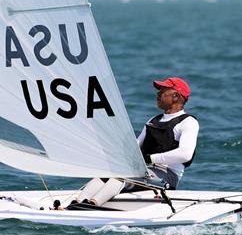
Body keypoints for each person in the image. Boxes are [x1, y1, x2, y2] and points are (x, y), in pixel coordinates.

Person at [70, 77, 199, 208]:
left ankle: (91, 205)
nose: (158, 94)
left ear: (176, 96)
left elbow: (185, 154)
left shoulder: (188, 122)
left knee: (121, 178)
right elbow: (136, 147)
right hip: (144, 170)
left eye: (162, 90)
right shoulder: (153, 120)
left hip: (167, 175)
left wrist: (150, 158)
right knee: (107, 175)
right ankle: (76, 203)